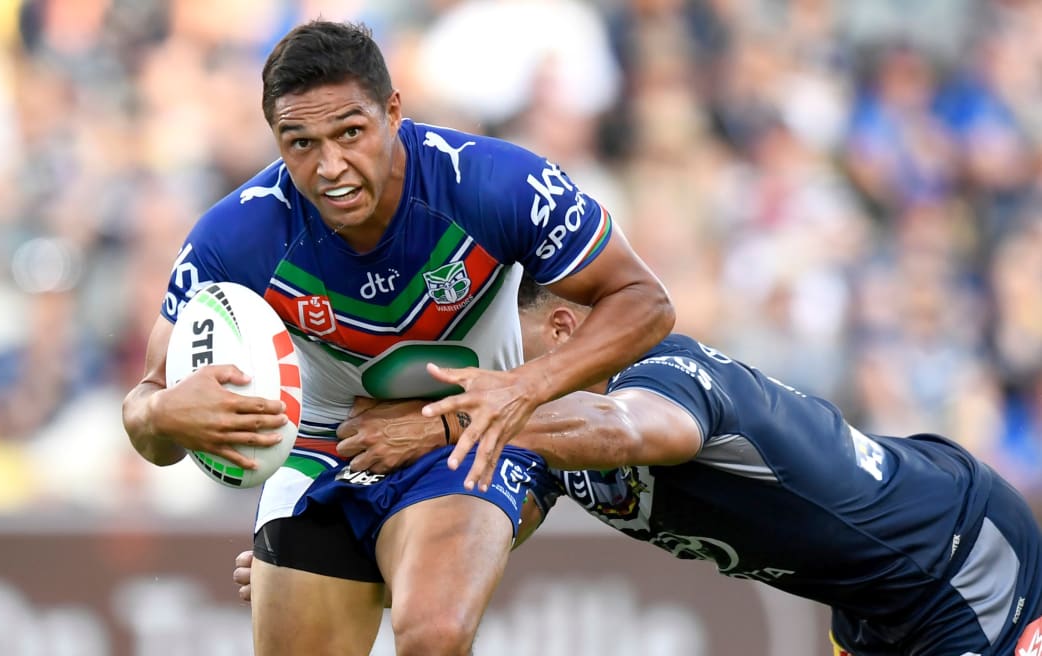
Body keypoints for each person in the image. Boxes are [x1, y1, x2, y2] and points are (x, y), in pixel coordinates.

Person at [121, 20, 674, 656]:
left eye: (350, 133)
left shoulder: (492, 183)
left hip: (468, 440)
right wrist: (167, 412)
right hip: (323, 453)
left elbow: (645, 303)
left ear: (392, 112)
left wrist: (515, 392)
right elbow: (146, 415)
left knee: (433, 635)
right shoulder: (233, 237)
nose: (330, 167)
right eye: (299, 143)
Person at [235, 275, 1042, 656]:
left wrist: (442, 422)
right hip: (871, 607)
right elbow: (465, 537)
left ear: (560, 333)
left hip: (959, 556)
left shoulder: (668, 376)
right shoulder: (546, 440)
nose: (486, 372)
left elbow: (626, 430)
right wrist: (337, 573)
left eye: (499, 353)